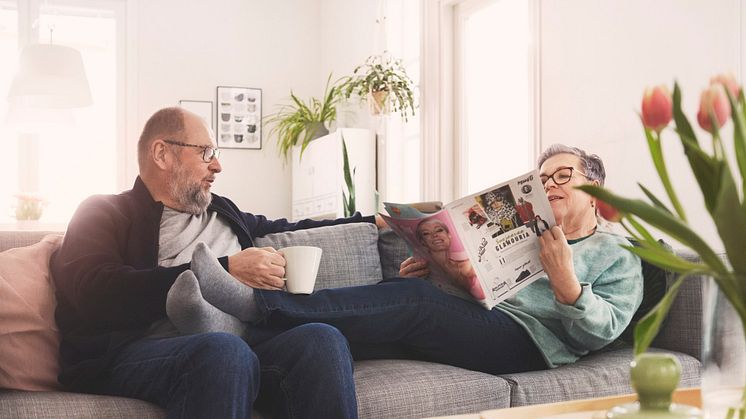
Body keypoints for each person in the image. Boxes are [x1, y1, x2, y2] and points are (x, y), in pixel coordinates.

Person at [50, 107, 375, 419]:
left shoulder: (223, 210)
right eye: (205, 152)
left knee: (321, 339)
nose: (217, 165)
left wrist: (375, 221)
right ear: (162, 154)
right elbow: (94, 291)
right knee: (223, 351)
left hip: (246, 340)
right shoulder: (103, 211)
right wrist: (225, 268)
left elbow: (287, 227)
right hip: (143, 350)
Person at [232, 143, 644, 376]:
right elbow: (483, 290)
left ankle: (256, 307)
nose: (550, 184)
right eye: (543, 178)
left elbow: (600, 334)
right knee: (390, 309)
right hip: (482, 319)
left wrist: (566, 283)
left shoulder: (618, 253)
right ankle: (247, 341)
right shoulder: (527, 229)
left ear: (597, 188)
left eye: (563, 176)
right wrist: (438, 275)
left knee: (416, 303)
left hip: (531, 343)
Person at [414, 218, 485, 300]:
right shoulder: (420, 269)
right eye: (426, 233)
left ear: (449, 235)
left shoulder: (467, 265)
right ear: (422, 242)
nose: (434, 235)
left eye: (439, 230)